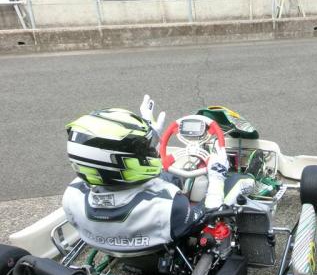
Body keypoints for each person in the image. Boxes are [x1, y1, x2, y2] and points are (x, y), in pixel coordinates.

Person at [61, 95, 233, 254]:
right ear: (118, 159)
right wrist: (217, 176)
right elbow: (209, 212)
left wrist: (150, 138)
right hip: (163, 250)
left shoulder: (72, 197)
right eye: (143, 149)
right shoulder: (169, 207)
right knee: (232, 183)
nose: (149, 152)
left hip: (111, 245)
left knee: (169, 176)